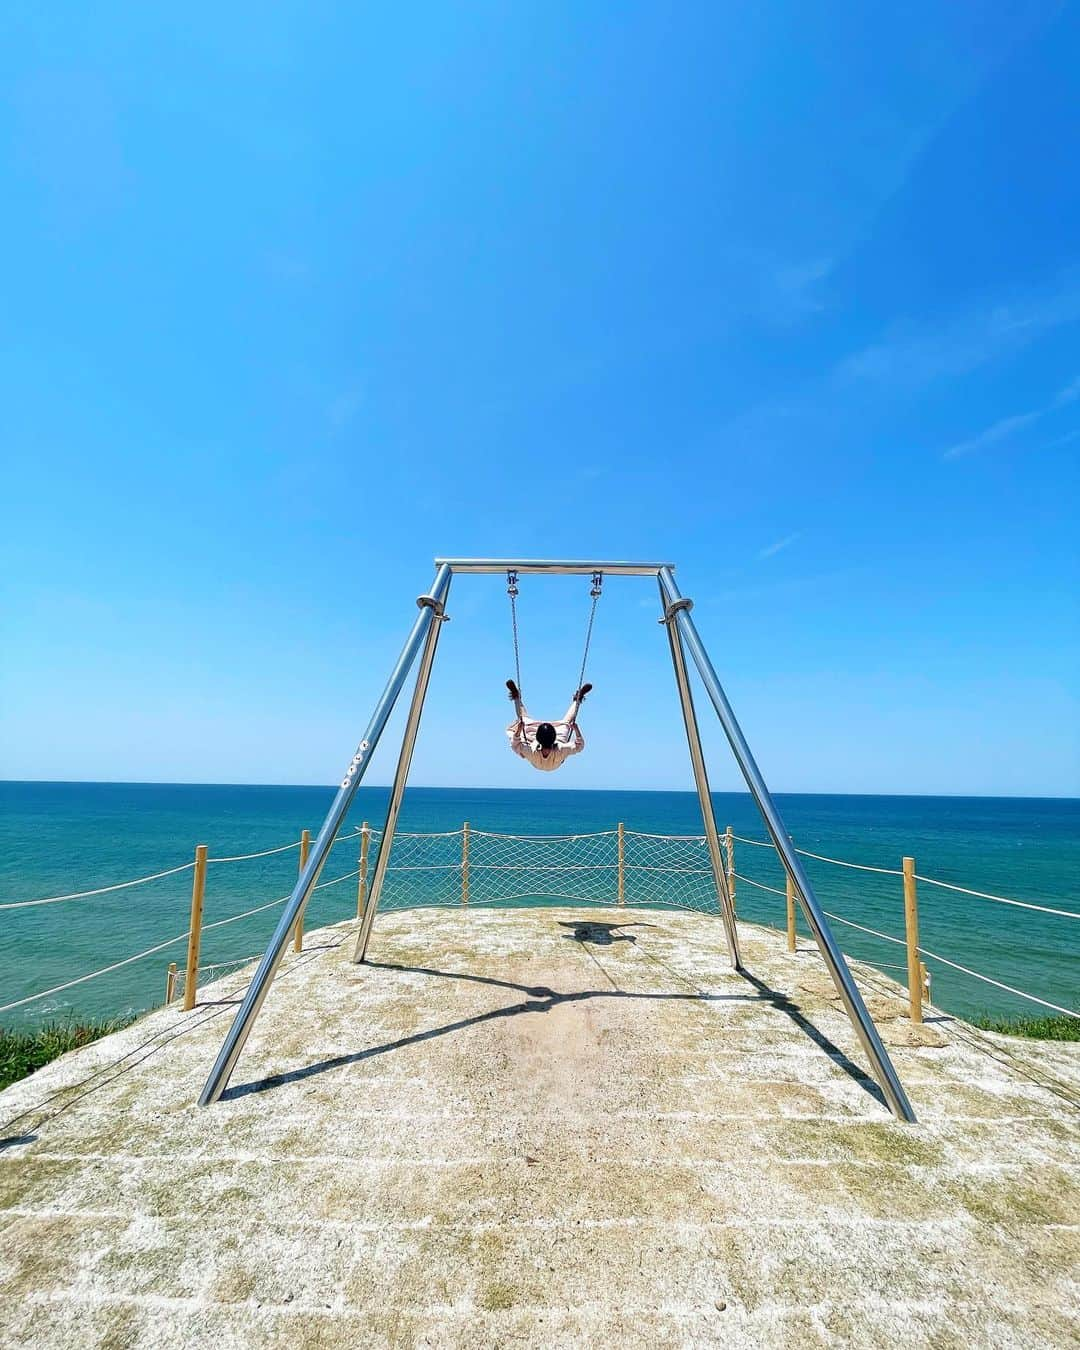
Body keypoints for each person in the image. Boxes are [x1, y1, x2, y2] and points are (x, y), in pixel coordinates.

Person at [505, 679, 592, 772]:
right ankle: (578, 699)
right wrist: (576, 729)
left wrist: (519, 730)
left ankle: (516, 697)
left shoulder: (531, 751)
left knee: (523, 720)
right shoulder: (561, 749)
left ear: (537, 738)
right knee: (566, 722)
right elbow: (580, 746)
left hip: (537, 758)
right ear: (555, 736)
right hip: (556, 757)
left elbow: (515, 744)